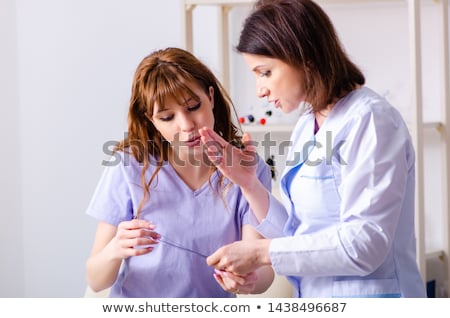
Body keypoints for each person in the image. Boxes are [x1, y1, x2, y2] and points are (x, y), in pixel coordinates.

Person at [199, 0, 427, 298]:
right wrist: (249, 184)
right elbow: (298, 235)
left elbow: (365, 244)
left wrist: (261, 252)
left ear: (302, 56)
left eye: (265, 72)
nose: (260, 90)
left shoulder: (370, 120)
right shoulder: (308, 125)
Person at [85, 47, 274, 297]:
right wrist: (115, 249)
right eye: (166, 117)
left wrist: (249, 279)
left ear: (211, 97)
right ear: (150, 120)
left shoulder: (247, 168)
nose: (186, 126)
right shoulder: (129, 165)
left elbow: (261, 269)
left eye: (193, 107)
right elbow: (96, 280)